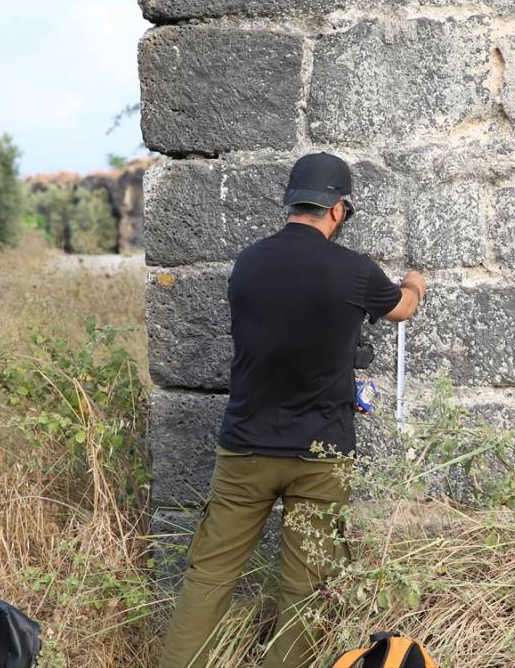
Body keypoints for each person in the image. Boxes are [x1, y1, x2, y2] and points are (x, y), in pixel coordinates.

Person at [159, 152, 426, 668]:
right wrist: (414, 282)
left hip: (245, 450)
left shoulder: (250, 262)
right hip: (320, 455)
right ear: (339, 209)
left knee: (209, 576)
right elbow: (402, 309)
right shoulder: (355, 272)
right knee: (305, 587)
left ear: (292, 202)